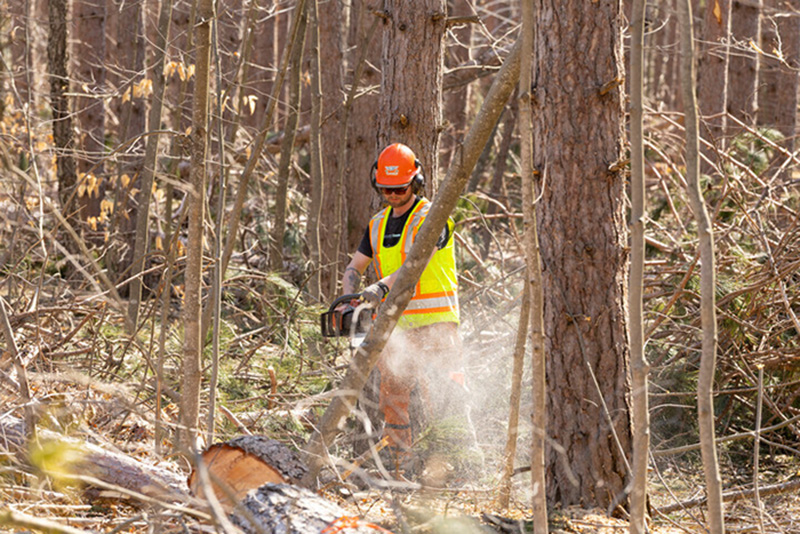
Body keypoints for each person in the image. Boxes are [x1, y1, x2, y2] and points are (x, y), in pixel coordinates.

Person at [338, 143, 475, 479]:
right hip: (397, 329)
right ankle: (401, 467)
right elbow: (354, 266)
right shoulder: (377, 223)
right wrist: (350, 296)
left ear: (416, 181)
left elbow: (416, 261)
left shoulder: (432, 218)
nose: (393, 195)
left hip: (437, 325)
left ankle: (461, 468)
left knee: (445, 394)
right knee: (393, 397)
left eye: (400, 188)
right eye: (386, 189)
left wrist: (379, 288)